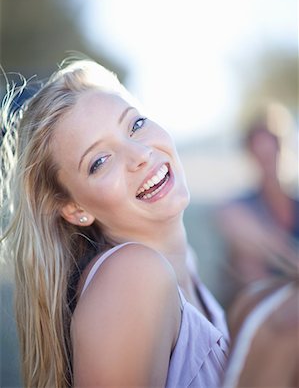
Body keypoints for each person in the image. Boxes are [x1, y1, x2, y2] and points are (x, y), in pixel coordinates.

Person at [0, 58, 229, 388]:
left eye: (135, 125)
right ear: (74, 208)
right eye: (99, 161)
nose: (140, 154)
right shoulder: (132, 278)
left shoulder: (185, 267)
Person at [215, 121, 299, 306]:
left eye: (271, 152)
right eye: (259, 154)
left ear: (282, 150)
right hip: (267, 302)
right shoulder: (240, 206)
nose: (266, 160)